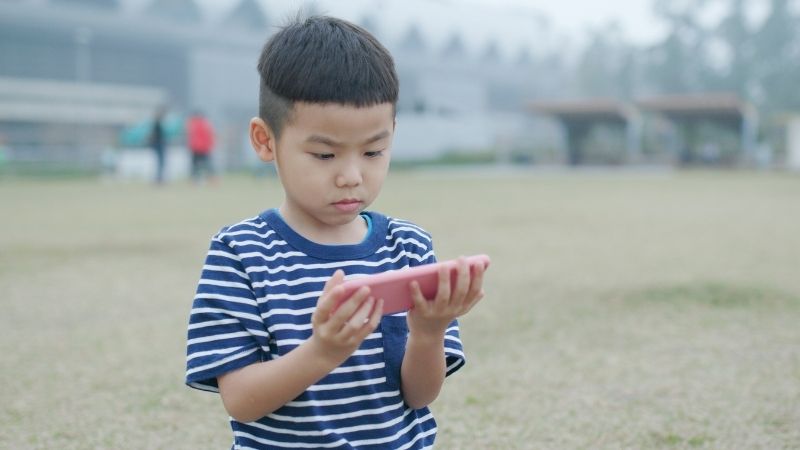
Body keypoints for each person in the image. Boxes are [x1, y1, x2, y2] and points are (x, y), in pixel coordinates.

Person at [185, 15, 487, 449]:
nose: (351, 175)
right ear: (265, 140)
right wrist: (322, 351)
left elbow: (419, 396)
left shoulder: (407, 246)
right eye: (325, 154)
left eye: (373, 151)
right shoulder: (241, 253)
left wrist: (429, 333)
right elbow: (241, 401)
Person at [186, 110, 216, 184]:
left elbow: (190, 137)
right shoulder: (206, 124)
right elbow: (210, 136)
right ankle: (210, 179)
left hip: (196, 148)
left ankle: (196, 180)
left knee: (196, 165)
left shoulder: (192, 124)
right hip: (203, 148)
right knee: (206, 165)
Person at [149, 105, 167, 184]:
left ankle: (159, 178)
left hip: (159, 145)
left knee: (160, 163)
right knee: (160, 163)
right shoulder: (157, 124)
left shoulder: (157, 124)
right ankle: (159, 179)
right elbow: (156, 136)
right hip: (159, 145)